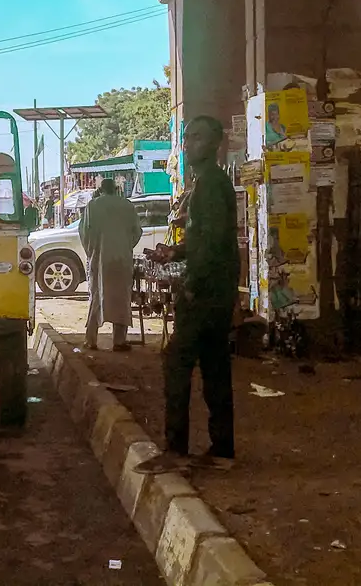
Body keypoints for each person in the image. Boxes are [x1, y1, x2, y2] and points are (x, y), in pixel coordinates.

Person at [136, 115, 240, 474]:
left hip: (206, 290)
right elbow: (205, 239)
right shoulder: (208, 182)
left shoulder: (211, 184)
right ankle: (222, 449)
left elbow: (211, 245)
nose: (189, 143)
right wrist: (176, 252)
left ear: (214, 143)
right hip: (217, 289)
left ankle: (176, 449)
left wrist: (192, 283)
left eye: (197, 137)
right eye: (186, 137)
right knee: (214, 367)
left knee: (176, 362)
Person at [78, 178, 142, 351]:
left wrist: (92, 252)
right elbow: (137, 232)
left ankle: (91, 340)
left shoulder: (93, 206)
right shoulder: (127, 205)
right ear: (116, 189)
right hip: (122, 259)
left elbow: (84, 232)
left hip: (100, 259)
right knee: (122, 298)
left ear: (101, 189)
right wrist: (126, 246)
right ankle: (119, 341)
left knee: (97, 297)